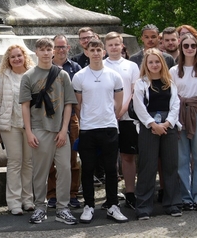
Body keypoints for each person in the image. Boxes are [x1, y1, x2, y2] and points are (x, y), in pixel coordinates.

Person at [70, 38, 129, 224]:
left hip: (109, 128)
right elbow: (78, 105)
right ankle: (88, 205)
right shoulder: (79, 76)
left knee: (111, 169)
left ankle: (113, 205)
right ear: (86, 52)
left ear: (103, 52)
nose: (96, 53)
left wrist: (111, 116)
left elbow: (119, 101)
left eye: (98, 49)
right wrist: (87, 119)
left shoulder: (113, 75)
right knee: (87, 169)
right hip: (88, 129)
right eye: (92, 50)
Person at [21, 38, 78, 225]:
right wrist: (29, 132)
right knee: (40, 171)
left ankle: (63, 208)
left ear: (53, 52)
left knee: (64, 169)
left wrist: (64, 130)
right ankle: (39, 207)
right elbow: (25, 106)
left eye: (49, 49)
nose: (46, 53)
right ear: (36, 52)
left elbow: (69, 104)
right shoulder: (28, 76)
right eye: (42, 49)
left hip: (60, 131)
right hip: (39, 128)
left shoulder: (62, 75)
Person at [132, 48, 182, 218]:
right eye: (150, 62)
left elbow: (175, 105)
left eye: (157, 61)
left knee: (171, 165)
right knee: (148, 166)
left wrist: (168, 123)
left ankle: (173, 203)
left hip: (169, 126)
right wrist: (152, 124)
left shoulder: (170, 83)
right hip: (149, 127)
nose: (154, 65)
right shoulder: (141, 83)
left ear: (162, 63)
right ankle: (144, 207)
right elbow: (138, 107)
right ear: (146, 65)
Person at [171, 33, 197, 211]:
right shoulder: (173, 71)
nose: (189, 49)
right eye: (186, 46)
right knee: (181, 158)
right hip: (180, 113)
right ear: (181, 48)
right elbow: (172, 97)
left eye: (193, 46)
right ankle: (185, 196)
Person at [0, 43, 35, 216]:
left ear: (24, 56)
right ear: (8, 60)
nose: (16, 59)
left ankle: (28, 200)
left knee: (28, 162)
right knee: (15, 162)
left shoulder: (34, 74)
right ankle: (14, 202)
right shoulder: (4, 76)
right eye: (13, 57)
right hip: (9, 124)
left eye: (19, 55)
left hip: (30, 125)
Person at [104, 31, 140, 209]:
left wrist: (122, 108)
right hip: (106, 118)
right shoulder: (100, 65)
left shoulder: (131, 66)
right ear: (106, 47)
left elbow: (134, 91)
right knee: (109, 159)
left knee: (127, 156)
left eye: (116, 44)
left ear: (122, 44)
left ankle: (130, 192)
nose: (114, 47)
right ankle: (110, 195)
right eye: (110, 45)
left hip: (126, 117)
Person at [46, 34, 81, 209]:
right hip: (50, 118)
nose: (60, 50)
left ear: (68, 48)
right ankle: (52, 194)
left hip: (72, 116)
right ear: (53, 49)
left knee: (73, 157)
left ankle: (72, 193)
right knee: (51, 159)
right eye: (57, 47)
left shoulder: (75, 67)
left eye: (63, 47)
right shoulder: (45, 67)